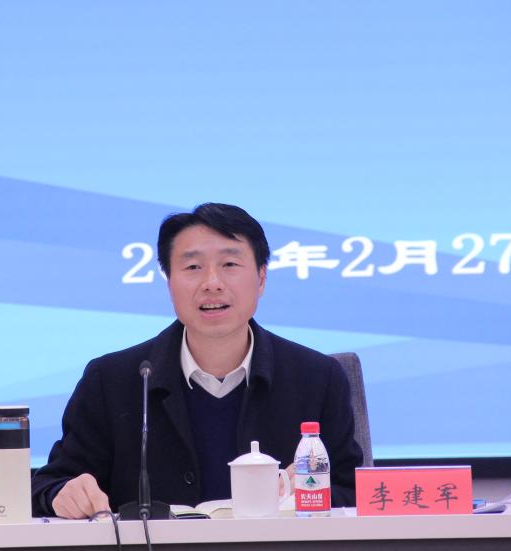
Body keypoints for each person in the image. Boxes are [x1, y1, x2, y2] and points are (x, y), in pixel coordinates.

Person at [31, 203, 363, 519]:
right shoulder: (112, 380)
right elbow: (49, 486)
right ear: (169, 281)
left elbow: (355, 492)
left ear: (261, 278)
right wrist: (62, 495)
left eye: (229, 265)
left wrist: (306, 492)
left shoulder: (317, 378)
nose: (212, 283)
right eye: (193, 267)